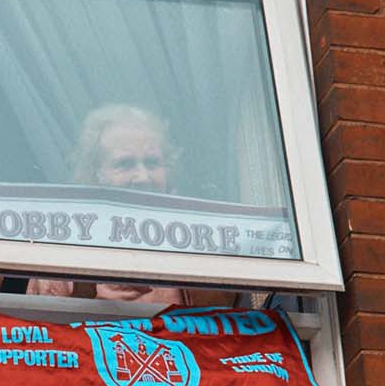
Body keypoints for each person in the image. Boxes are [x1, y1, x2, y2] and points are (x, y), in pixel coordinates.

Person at [28, 105, 233, 308]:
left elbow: (220, 316)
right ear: (96, 173)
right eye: (125, 164)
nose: (142, 177)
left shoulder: (199, 237)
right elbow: (46, 320)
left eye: (152, 163)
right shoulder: (65, 240)